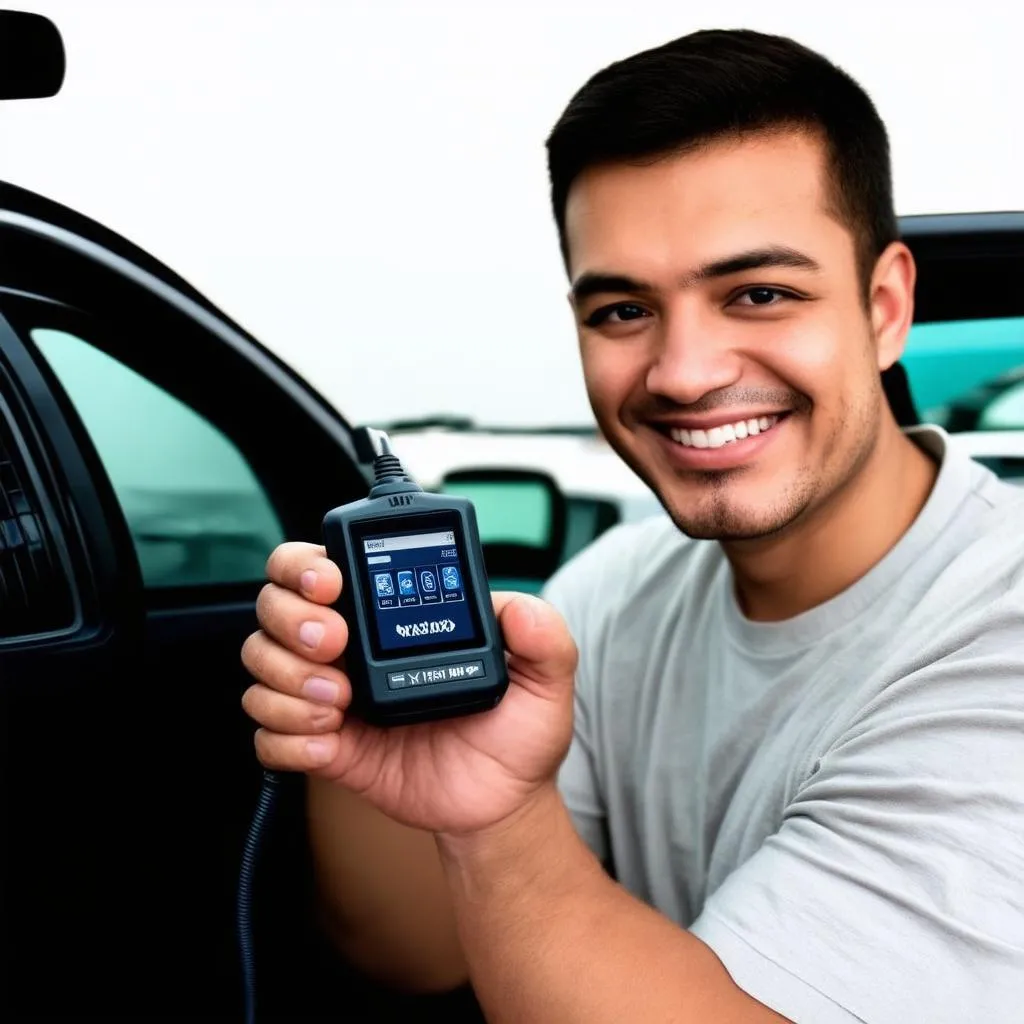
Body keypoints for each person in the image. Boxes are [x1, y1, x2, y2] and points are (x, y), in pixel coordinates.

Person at [239, 28, 1024, 1023]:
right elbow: (415, 950)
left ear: (882, 308)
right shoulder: (616, 587)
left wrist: (505, 825)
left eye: (759, 293)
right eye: (620, 310)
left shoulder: (1000, 633)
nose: (684, 371)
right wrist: (362, 721)